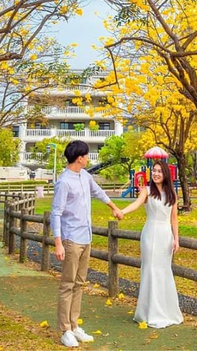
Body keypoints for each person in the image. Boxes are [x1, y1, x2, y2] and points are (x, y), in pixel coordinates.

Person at [50, 140, 123, 348]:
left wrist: (114, 208)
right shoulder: (64, 182)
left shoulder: (85, 176)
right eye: (86, 154)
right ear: (79, 157)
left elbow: (98, 192)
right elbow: (56, 213)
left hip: (86, 237)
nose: (88, 157)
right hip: (71, 239)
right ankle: (65, 330)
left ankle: (74, 325)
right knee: (67, 284)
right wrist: (58, 243)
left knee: (80, 283)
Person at [116, 158, 184, 328]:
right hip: (150, 234)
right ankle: (149, 312)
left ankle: (166, 311)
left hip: (165, 235)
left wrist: (176, 238)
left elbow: (174, 218)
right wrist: (122, 211)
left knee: (163, 271)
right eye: (154, 171)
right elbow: (136, 204)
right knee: (151, 270)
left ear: (165, 174)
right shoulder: (146, 191)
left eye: (159, 171)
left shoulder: (172, 194)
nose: (156, 174)